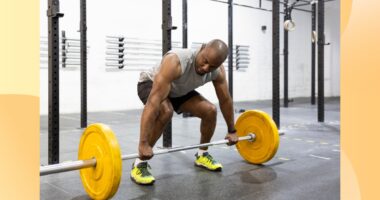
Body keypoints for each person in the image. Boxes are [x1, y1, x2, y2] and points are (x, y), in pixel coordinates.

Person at [131, 39, 239, 185]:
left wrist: (232, 130)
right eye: (205, 61)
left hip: (178, 91)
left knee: (210, 111)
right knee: (165, 111)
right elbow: (153, 102)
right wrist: (143, 143)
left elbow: (225, 100)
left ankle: (202, 154)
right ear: (202, 48)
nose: (206, 68)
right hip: (150, 84)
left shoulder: (217, 72)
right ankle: (140, 164)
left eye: (212, 66)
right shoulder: (176, 61)